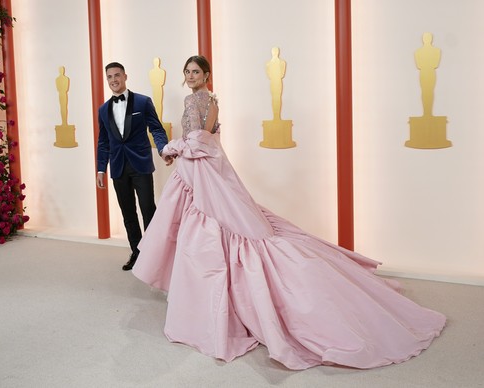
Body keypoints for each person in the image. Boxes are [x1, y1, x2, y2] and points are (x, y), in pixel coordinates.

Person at [132, 55, 446, 370]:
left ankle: (205, 305)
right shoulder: (209, 100)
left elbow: (201, 141)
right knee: (206, 229)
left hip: (201, 169)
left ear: (206, 74)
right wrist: (182, 147)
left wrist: (174, 148)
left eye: (195, 72)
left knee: (208, 233)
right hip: (204, 171)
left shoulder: (198, 100)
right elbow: (209, 140)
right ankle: (199, 297)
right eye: (187, 72)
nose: (190, 76)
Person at [96, 62, 172, 271]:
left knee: (148, 209)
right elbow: (103, 141)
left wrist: (163, 149)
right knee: (128, 213)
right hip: (118, 166)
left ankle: (155, 255)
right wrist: (101, 169)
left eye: (117, 75)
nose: (113, 80)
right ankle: (137, 253)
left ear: (125, 76)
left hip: (140, 163)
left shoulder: (143, 102)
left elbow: (156, 129)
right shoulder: (103, 109)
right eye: (109, 77)